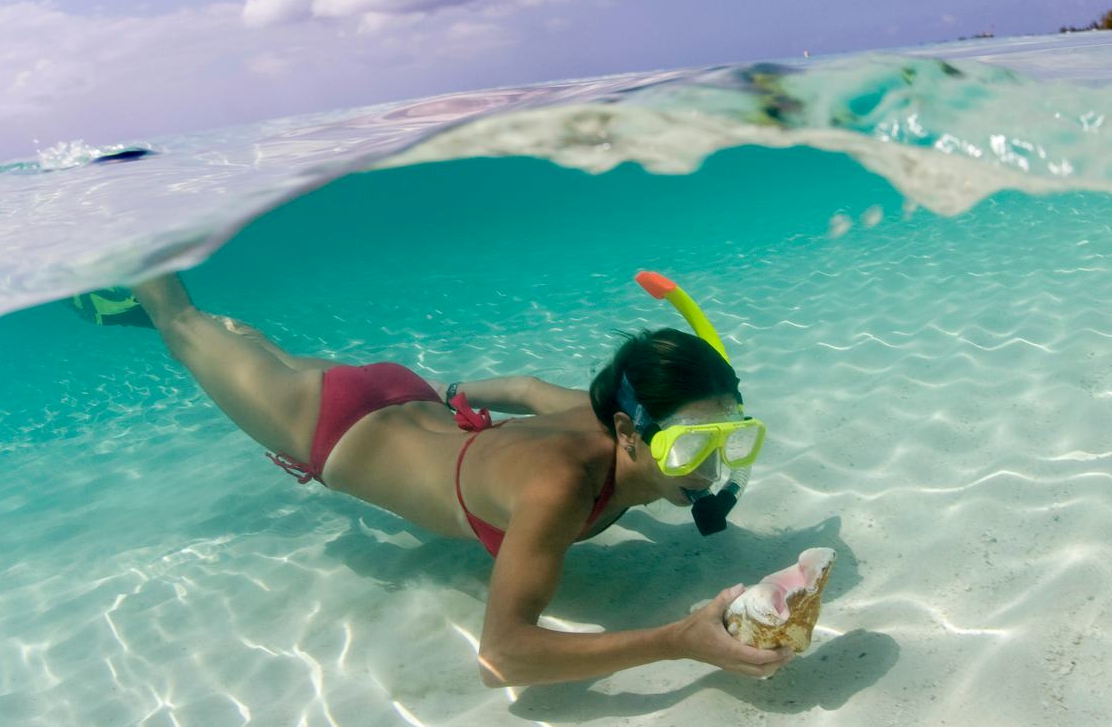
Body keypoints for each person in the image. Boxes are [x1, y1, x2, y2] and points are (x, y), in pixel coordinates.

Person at [74, 271, 797, 688]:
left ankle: (135, 313)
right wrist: (677, 641)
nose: (709, 469)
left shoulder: (596, 410)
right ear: (630, 434)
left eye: (733, 441)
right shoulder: (557, 486)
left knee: (252, 347)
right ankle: (112, 181)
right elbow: (503, 656)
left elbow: (519, 386)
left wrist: (449, 393)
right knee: (185, 321)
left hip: (404, 393)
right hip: (325, 427)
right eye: (692, 445)